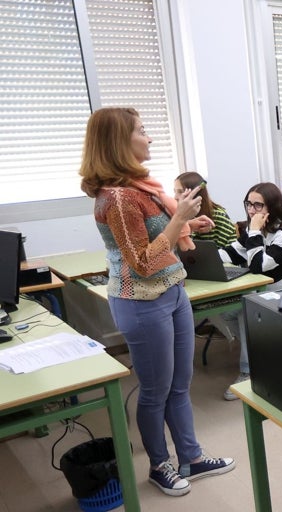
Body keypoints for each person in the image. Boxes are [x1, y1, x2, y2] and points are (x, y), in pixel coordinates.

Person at [79, 107, 233, 496]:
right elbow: (143, 262)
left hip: (173, 292)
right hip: (141, 301)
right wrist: (179, 216)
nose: (149, 138)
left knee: (180, 385)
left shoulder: (140, 187)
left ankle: (192, 458)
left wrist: (188, 222)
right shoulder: (116, 199)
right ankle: (159, 465)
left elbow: (156, 235)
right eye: (142, 131)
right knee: (155, 390)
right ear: (119, 142)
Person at [220, 182, 282, 400]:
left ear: (272, 208)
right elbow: (234, 253)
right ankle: (262, 353)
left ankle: (249, 371)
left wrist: (253, 231)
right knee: (227, 311)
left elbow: (258, 265)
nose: (251, 210)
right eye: (249, 204)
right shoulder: (254, 229)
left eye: (258, 205)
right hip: (272, 288)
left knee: (249, 311)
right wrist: (201, 258)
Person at [175, 171, 237, 248]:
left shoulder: (218, 216)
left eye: (180, 192)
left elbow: (230, 253)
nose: (175, 197)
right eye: (175, 192)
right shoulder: (177, 216)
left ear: (196, 194)